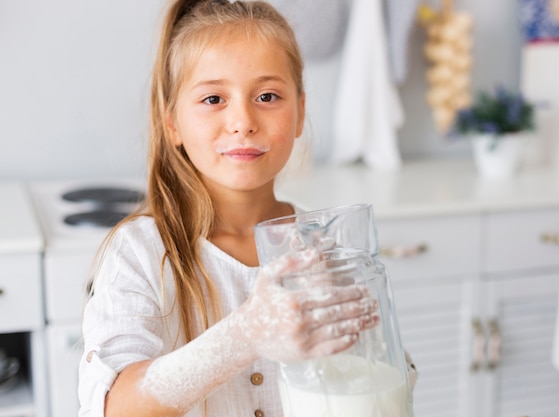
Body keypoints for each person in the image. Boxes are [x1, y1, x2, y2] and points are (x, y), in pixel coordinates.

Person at [77, 1, 383, 417]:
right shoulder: (140, 253)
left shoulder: (325, 246)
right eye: (214, 98)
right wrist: (246, 336)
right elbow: (114, 408)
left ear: (300, 113)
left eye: (268, 96)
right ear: (173, 123)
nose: (242, 120)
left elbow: (378, 377)